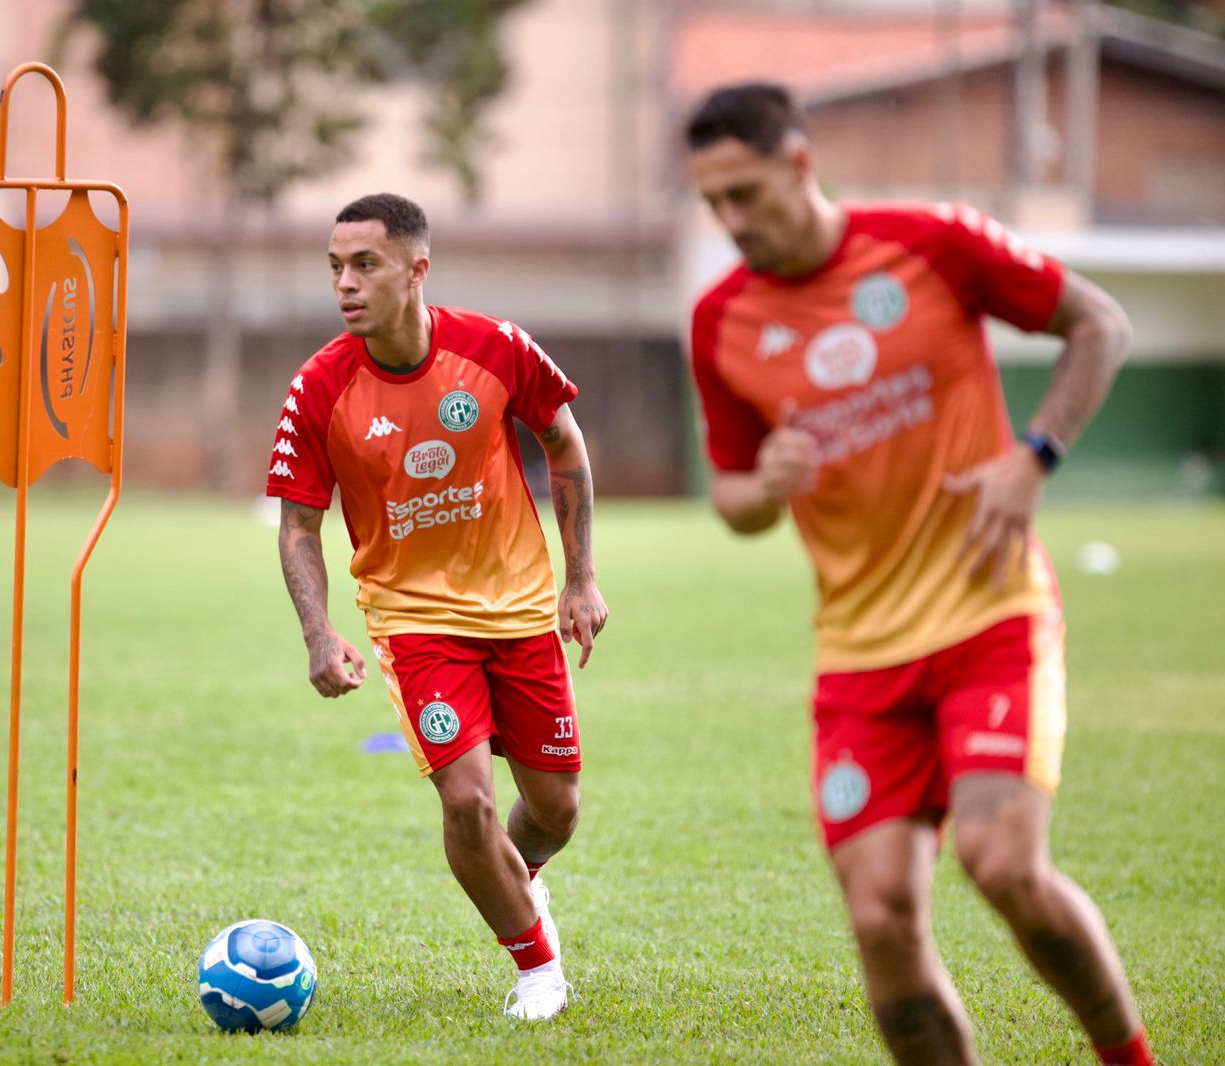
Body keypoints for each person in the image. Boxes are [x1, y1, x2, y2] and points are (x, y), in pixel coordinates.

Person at [683, 83, 1152, 1065]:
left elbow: (1097, 324)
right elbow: (731, 499)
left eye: (745, 193)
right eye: (711, 203)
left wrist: (1035, 456)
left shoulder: (932, 243)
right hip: (858, 657)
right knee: (882, 921)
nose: (730, 222)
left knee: (1002, 864)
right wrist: (763, 487)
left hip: (990, 614)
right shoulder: (721, 322)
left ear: (800, 164)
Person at [265, 192, 608, 1021]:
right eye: (335, 268)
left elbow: (563, 444)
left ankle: (515, 881)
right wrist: (319, 633)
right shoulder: (318, 388)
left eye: (364, 265)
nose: (345, 284)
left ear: (418, 269)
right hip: (414, 620)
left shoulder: (494, 349)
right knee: (468, 801)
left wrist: (580, 578)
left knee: (556, 810)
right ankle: (536, 967)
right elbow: (299, 524)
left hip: (521, 610)